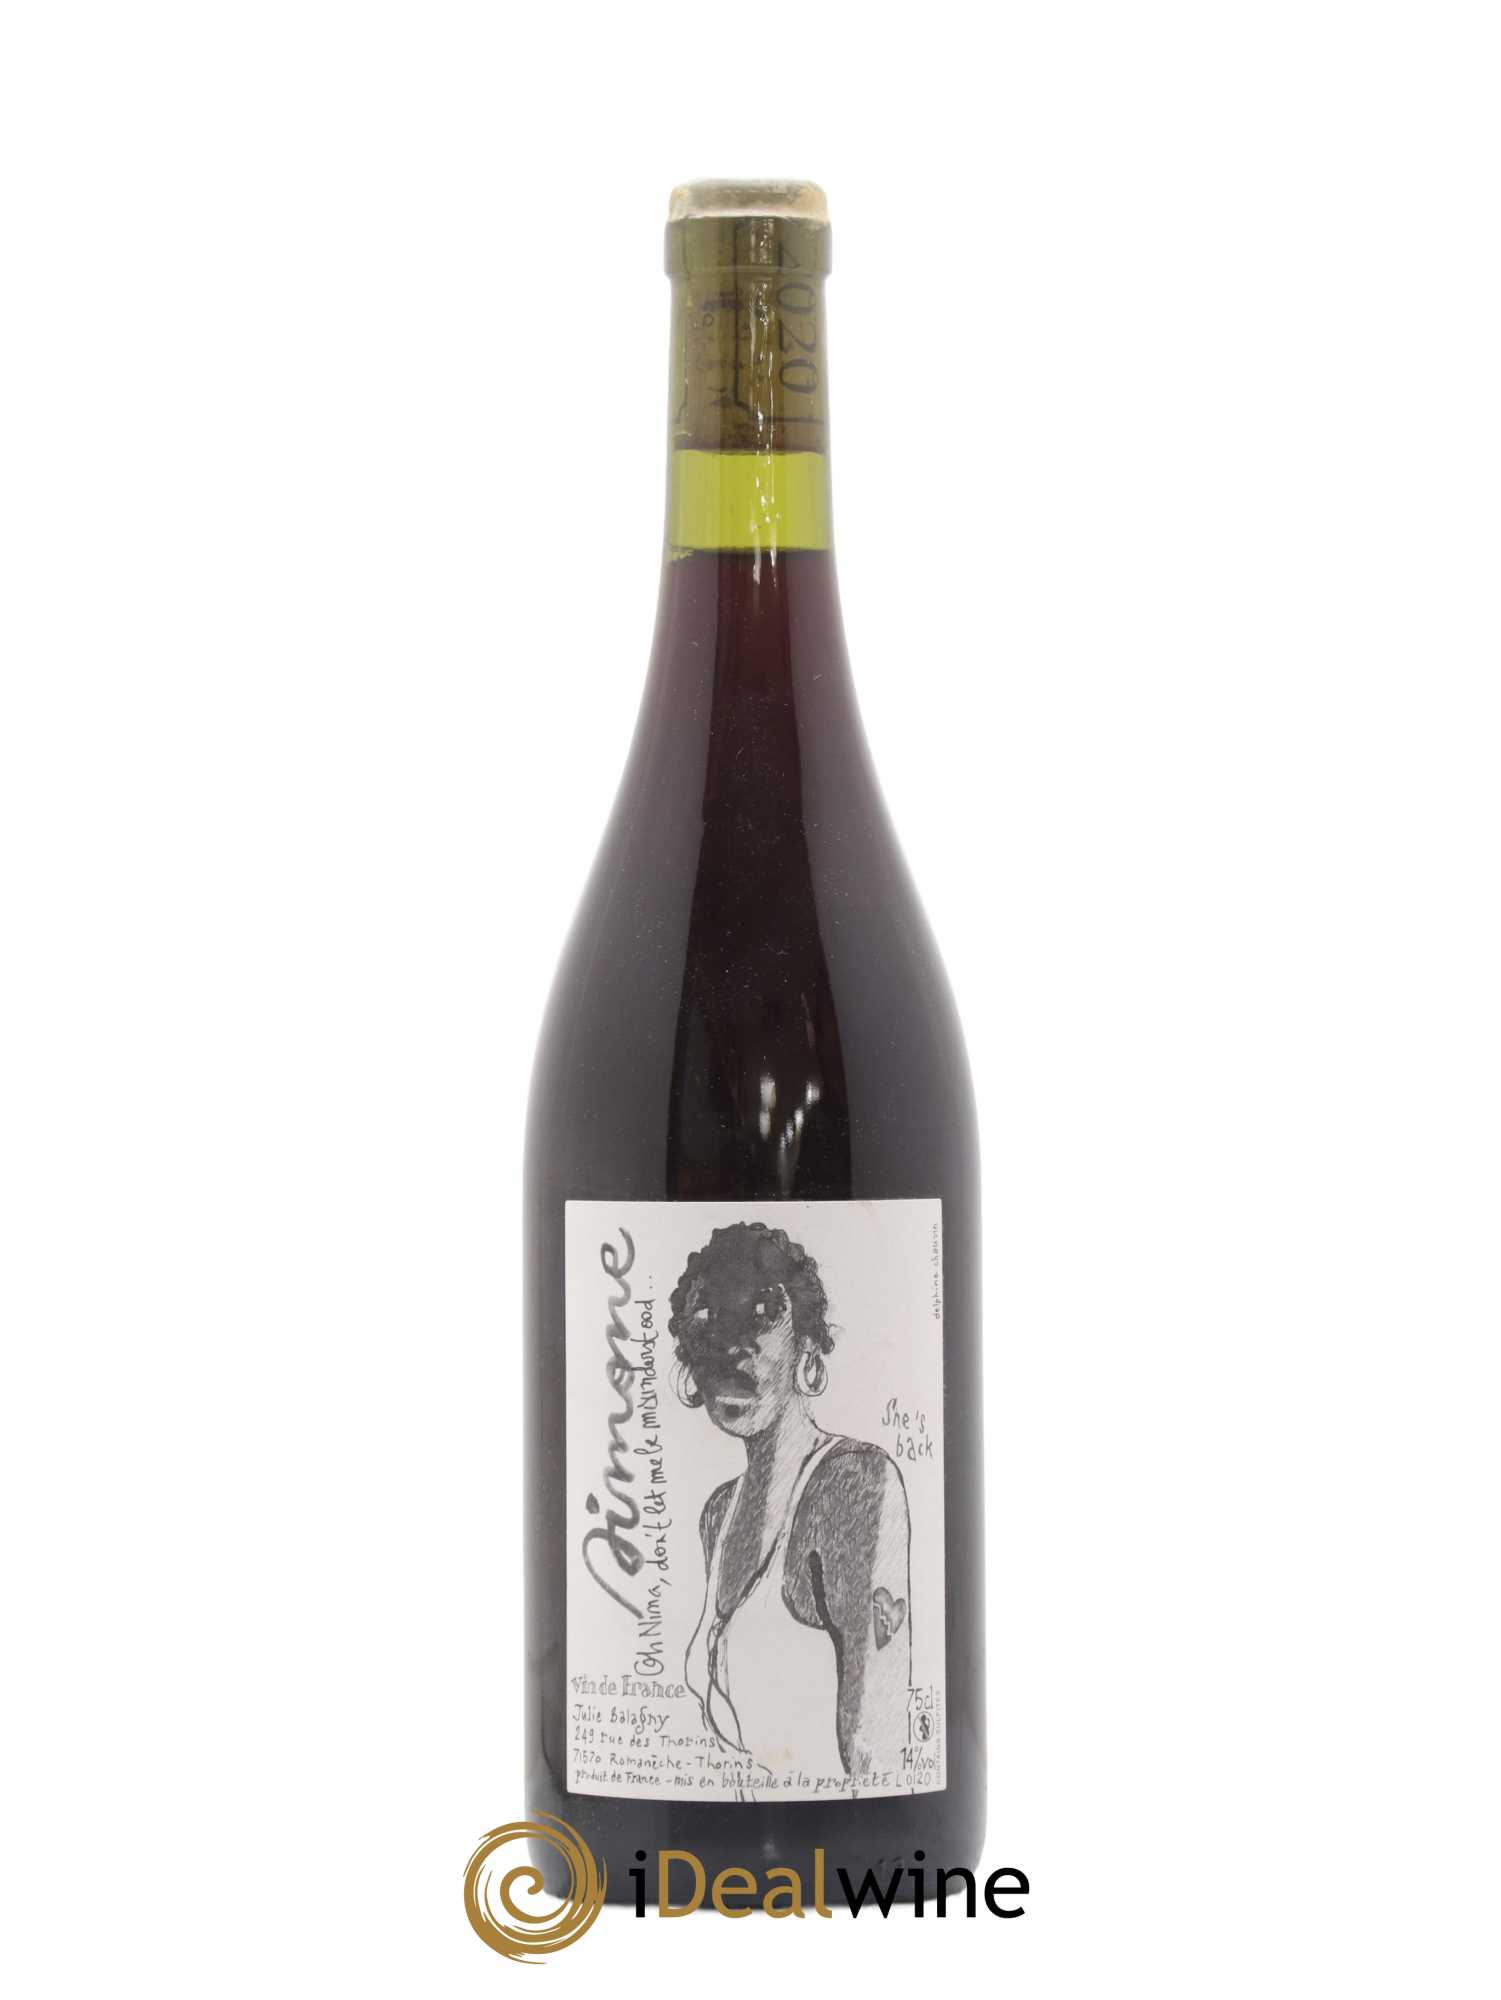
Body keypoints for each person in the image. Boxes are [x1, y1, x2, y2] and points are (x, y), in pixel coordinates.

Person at [674, 1221, 911, 1790]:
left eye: (759, 1315)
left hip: (846, 1834)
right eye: (706, 1321)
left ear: (806, 1346)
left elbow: (879, 1754)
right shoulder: (717, 1515)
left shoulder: (856, 1482)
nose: (730, 1349)